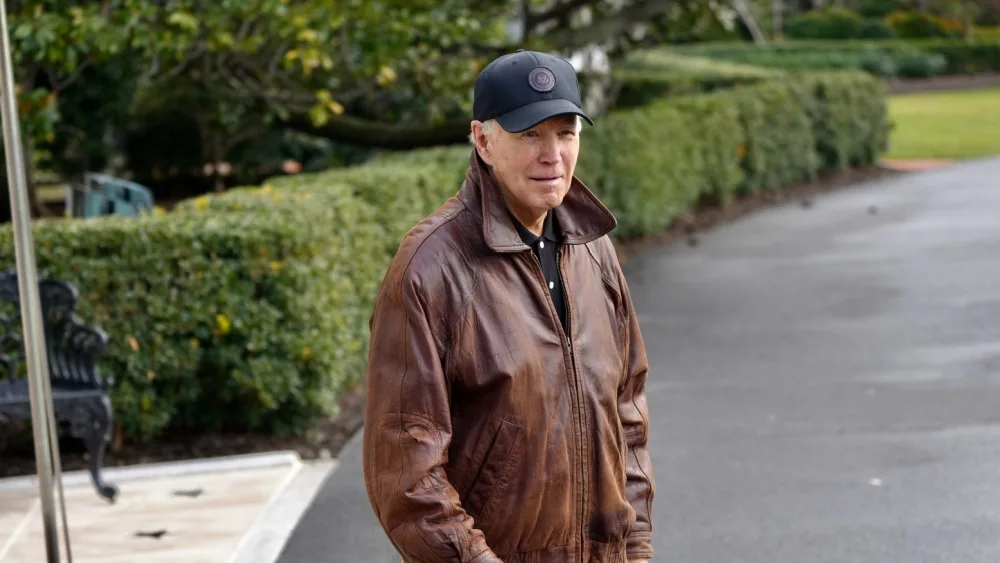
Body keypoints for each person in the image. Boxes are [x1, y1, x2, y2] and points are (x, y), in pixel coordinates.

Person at [363, 49, 655, 563]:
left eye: (566, 133)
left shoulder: (594, 250)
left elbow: (626, 415)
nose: (553, 155)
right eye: (529, 135)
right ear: (482, 140)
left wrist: (635, 546)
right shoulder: (430, 270)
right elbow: (406, 471)